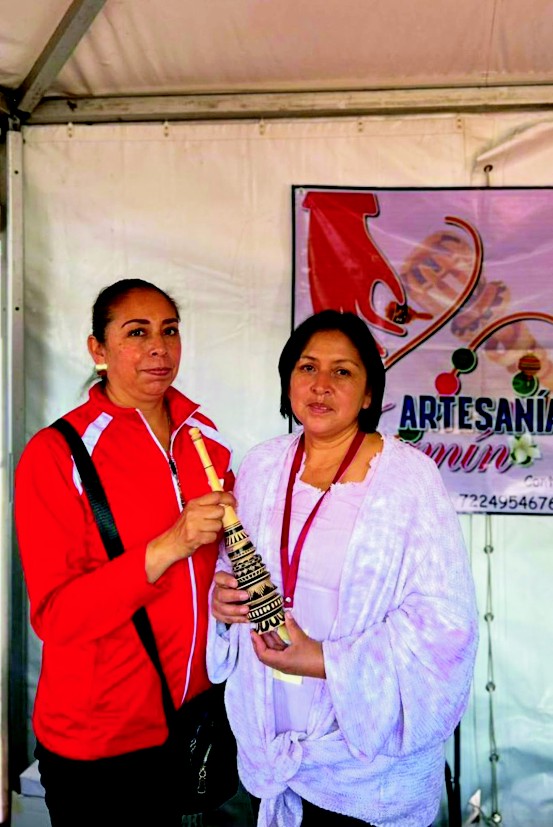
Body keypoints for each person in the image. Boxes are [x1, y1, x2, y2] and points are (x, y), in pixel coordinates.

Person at [207, 310, 479, 827]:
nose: (321, 385)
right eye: (307, 367)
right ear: (288, 379)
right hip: (268, 749)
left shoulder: (408, 479)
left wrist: (324, 659)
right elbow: (230, 566)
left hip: (365, 776)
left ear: (369, 393)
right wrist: (222, 605)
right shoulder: (262, 466)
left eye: (343, 371)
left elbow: (447, 626)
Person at [14, 278, 240, 827]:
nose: (159, 348)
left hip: (195, 721)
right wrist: (169, 545)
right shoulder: (56, 454)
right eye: (137, 333)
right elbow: (57, 616)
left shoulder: (203, 438)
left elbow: (214, 567)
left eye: (169, 331)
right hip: (102, 737)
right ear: (98, 348)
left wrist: (225, 595)